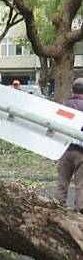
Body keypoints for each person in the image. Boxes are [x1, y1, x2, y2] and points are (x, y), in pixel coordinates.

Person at [56, 78, 83, 213]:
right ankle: (79, 211)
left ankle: (58, 208)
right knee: (81, 185)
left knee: (62, 183)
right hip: (81, 152)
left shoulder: (64, 105)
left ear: (73, 89)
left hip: (65, 149)